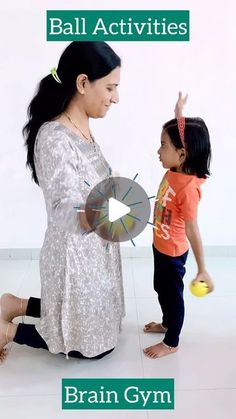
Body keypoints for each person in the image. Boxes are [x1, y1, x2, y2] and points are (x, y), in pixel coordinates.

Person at [0, 41, 125, 362]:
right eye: (110, 88)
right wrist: (107, 212)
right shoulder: (54, 137)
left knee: (102, 321)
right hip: (72, 255)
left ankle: (16, 304)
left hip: (95, 250)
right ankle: (7, 331)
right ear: (83, 83)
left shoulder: (83, 128)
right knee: (94, 347)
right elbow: (63, 209)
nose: (116, 98)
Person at [143, 92, 214, 359]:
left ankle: (171, 340)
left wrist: (203, 268)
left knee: (173, 296)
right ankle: (166, 322)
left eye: (163, 145)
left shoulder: (188, 189)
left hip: (173, 252)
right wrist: (179, 112)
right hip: (159, 245)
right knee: (160, 288)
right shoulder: (174, 171)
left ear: (181, 154)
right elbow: (181, 136)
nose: (158, 151)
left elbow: (193, 230)